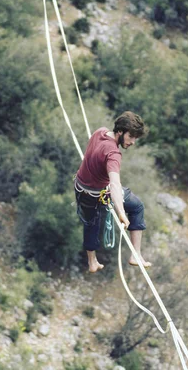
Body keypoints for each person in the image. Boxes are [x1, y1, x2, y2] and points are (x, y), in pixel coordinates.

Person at [74, 111, 151, 273]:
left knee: (90, 224)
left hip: (80, 188)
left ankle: (92, 262)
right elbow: (115, 184)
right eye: (131, 137)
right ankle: (135, 254)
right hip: (98, 193)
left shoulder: (99, 132)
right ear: (120, 132)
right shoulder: (113, 154)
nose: (133, 142)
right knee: (136, 207)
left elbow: (93, 153)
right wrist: (121, 212)